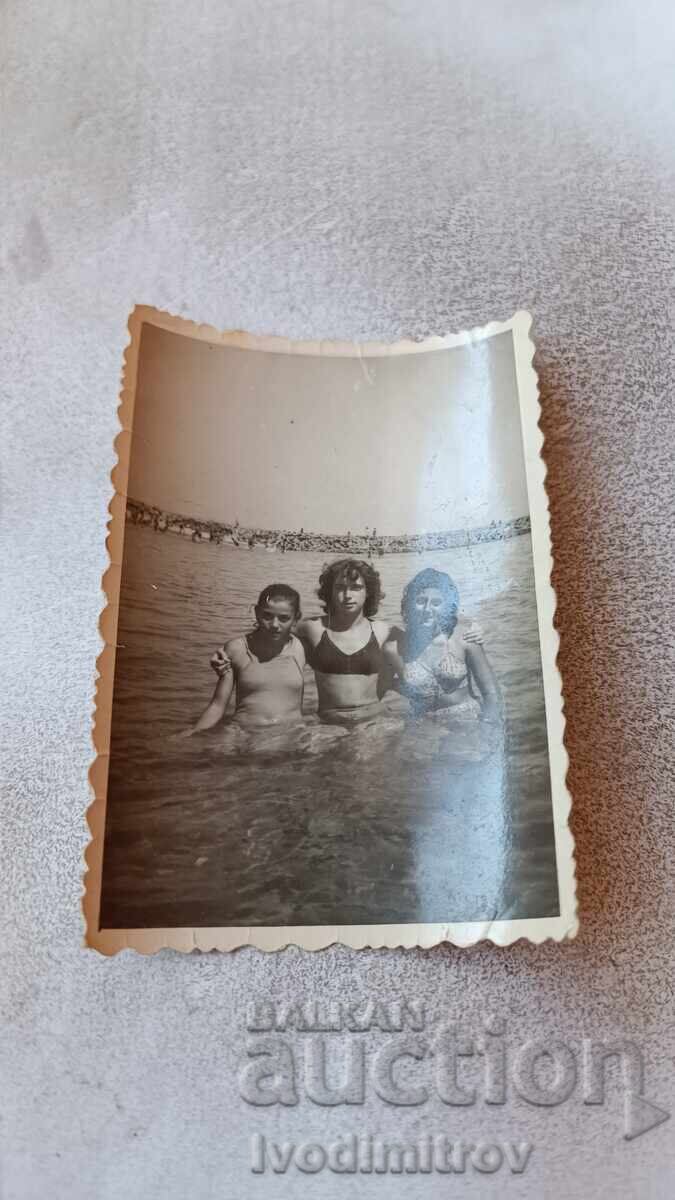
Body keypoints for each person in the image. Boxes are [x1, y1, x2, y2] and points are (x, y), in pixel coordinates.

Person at [382, 567, 501, 721]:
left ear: (447, 607)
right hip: (422, 722)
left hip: (466, 717)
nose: (427, 609)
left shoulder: (466, 639)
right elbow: (382, 689)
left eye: (436, 603)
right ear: (409, 604)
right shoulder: (394, 648)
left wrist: (488, 724)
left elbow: (491, 693)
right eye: (420, 601)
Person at [193, 584, 306, 732]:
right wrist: (193, 732)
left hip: (291, 732)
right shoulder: (236, 649)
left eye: (284, 618)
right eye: (267, 616)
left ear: (296, 618)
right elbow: (218, 705)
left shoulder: (301, 646)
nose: (274, 625)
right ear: (256, 613)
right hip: (245, 733)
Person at [295, 558, 393, 727]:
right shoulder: (313, 628)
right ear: (329, 592)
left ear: (368, 591)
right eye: (340, 588)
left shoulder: (383, 630)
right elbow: (275, 639)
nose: (348, 596)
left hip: (373, 720)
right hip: (328, 721)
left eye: (356, 588)